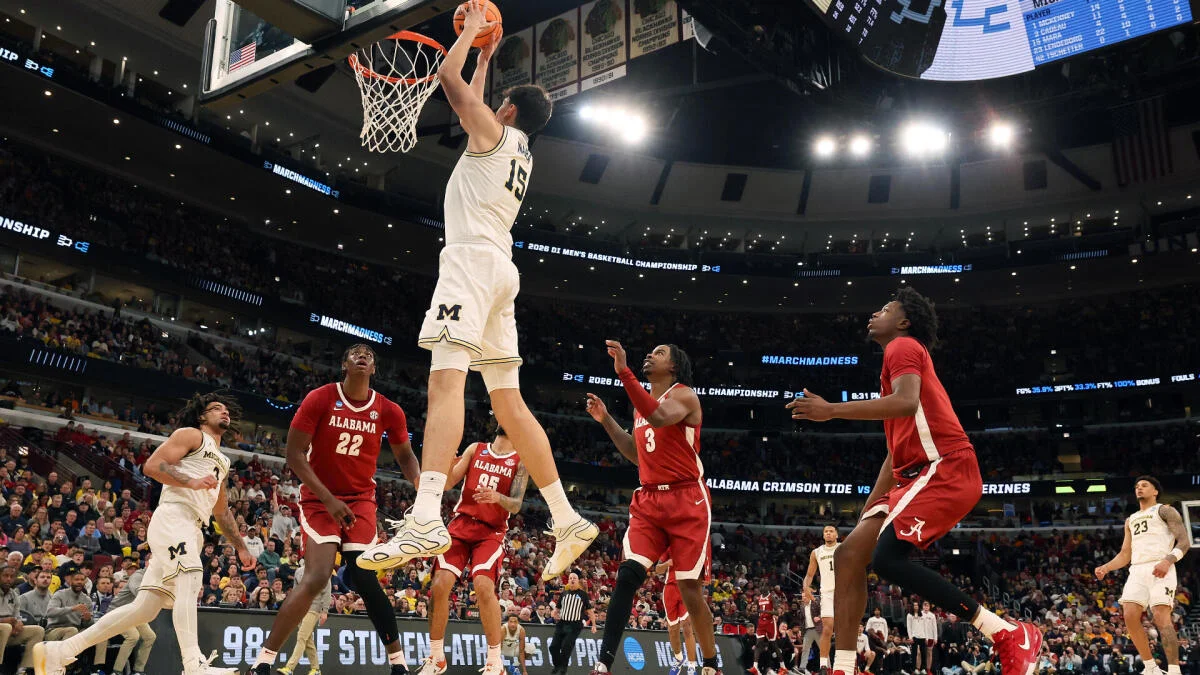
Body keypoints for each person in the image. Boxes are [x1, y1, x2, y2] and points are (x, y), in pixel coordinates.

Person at [361, 0, 595, 579]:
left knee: (445, 382)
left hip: (469, 263)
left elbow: (447, 77)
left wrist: (466, 34)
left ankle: (424, 516)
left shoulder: (493, 133)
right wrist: (487, 59)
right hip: (500, 269)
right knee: (507, 402)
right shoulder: (518, 150)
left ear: (507, 110)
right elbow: (478, 101)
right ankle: (566, 517)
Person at [787, 287, 1042, 675]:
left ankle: (1006, 631)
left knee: (886, 560)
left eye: (885, 308)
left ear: (904, 322)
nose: (875, 313)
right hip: (912, 475)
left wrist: (831, 410)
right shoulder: (894, 363)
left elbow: (906, 402)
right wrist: (869, 511)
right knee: (847, 555)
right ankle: (843, 666)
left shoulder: (902, 346)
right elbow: (894, 455)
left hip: (944, 467)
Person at [33, 392, 255, 675]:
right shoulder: (192, 435)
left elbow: (221, 511)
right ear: (202, 416)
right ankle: (194, 665)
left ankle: (60, 651)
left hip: (193, 527)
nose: (224, 412)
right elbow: (152, 466)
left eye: (226, 410)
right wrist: (192, 481)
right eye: (216, 408)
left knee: (145, 609)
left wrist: (241, 546)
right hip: (174, 517)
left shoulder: (222, 460)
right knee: (190, 578)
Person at [246, 344, 421, 675]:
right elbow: (294, 454)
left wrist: (421, 486)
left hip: (360, 499)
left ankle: (398, 664)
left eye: (368, 355)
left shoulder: (389, 410)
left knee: (365, 576)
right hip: (319, 497)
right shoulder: (321, 398)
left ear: (373, 368)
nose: (362, 356)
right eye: (355, 353)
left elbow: (405, 456)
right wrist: (328, 499)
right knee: (317, 576)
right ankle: (263, 662)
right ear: (344, 364)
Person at [584, 341, 720, 675]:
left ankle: (710, 663)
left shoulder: (685, 396)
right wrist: (605, 420)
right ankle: (603, 663)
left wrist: (623, 372)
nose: (649, 355)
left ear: (673, 366)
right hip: (649, 499)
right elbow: (636, 453)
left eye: (659, 353)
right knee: (628, 574)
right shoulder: (641, 406)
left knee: (689, 589)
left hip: (687, 499)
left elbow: (658, 417)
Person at [415, 423, 529, 675]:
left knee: (483, 585)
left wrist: (497, 497)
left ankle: (494, 662)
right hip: (461, 524)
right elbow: (448, 483)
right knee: (439, 585)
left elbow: (516, 505)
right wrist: (447, 463)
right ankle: (436, 657)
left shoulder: (520, 460)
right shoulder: (475, 449)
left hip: (491, 532)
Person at [1095, 475, 1190, 675]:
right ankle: (1150, 667)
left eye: (1144, 485)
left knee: (1160, 616)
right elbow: (1125, 554)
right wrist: (1106, 567)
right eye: (1137, 486)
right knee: (1129, 615)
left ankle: (1174, 670)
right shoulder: (1131, 519)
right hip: (1137, 569)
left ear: (1155, 491)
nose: (1139, 488)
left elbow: (1184, 542)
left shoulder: (1165, 510)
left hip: (1161, 565)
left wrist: (1168, 560)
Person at [278, 560, 331, 675]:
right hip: (300, 608)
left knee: (301, 637)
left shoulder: (323, 572)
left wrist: (325, 611)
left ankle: (289, 668)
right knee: (308, 641)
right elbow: (296, 590)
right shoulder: (299, 571)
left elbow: (327, 592)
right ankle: (316, 669)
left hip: (314, 607)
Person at [108, 559, 156, 675]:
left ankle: (138, 670)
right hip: (118, 611)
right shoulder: (138, 575)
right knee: (133, 636)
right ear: (147, 563)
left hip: (133, 612)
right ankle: (117, 671)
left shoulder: (156, 576)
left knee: (150, 636)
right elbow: (138, 592)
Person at [803, 525, 840, 674]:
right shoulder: (816, 552)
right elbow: (809, 575)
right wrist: (806, 587)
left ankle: (845, 663)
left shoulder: (843, 548)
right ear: (823, 535)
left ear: (836, 534)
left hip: (844, 592)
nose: (828, 533)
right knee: (827, 629)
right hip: (827, 593)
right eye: (826, 531)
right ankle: (823, 666)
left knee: (844, 629)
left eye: (831, 531)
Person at [654, 558, 698, 675]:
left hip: (686, 587)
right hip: (670, 589)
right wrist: (667, 564)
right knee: (673, 630)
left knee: (687, 626)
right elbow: (657, 569)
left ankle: (692, 667)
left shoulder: (690, 549)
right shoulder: (668, 550)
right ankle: (679, 659)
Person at [548, 573, 596, 675]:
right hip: (562, 623)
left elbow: (590, 611)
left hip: (574, 625)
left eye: (574, 578)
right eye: (570, 578)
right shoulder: (564, 594)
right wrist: (553, 614)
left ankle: (563, 668)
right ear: (568, 581)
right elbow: (557, 609)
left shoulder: (583, 594)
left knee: (566, 646)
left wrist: (594, 625)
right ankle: (558, 665)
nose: (572, 580)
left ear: (578, 581)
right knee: (553, 647)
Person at [0, 565, 45, 675]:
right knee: (6, 627)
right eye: (5, 576)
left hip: (10, 631)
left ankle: (25, 669)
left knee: (38, 630)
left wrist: (18, 624)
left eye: (12, 576)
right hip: (3, 628)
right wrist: (5, 621)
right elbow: (8, 622)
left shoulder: (14, 594)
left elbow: (17, 616)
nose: (8, 579)